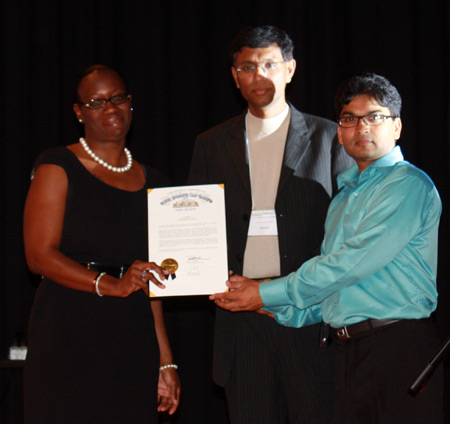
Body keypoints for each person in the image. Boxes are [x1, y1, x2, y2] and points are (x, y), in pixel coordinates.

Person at [211, 73, 443, 423]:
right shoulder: (343, 196)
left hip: (397, 347)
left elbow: (351, 264)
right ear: (339, 132)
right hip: (347, 353)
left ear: (396, 127)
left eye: (374, 117)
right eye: (350, 119)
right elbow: (335, 289)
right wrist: (271, 306)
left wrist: (266, 291)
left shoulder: (407, 184)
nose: (361, 127)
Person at [188, 25, 353, 423]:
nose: (258, 76)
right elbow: (194, 227)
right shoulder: (210, 143)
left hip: (309, 319)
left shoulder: (332, 138)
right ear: (234, 77)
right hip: (241, 323)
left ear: (290, 69)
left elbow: (349, 236)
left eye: (269, 64)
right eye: (247, 66)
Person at [23, 64, 180, 423]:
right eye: (96, 102)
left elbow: (154, 281)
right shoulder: (57, 165)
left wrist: (165, 361)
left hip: (132, 337)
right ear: (78, 112)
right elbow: (38, 256)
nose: (111, 109)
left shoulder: (157, 183)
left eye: (118, 98)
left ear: (130, 103)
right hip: (68, 330)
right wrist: (111, 285)